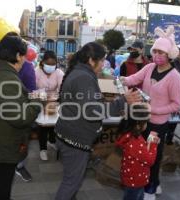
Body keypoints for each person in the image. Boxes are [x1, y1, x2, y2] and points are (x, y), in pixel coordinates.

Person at [54, 42, 142, 200]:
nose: (104, 64)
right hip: (75, 139)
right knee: (71, 182)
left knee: (70, 179)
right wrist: (122, 101)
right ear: (90, 60)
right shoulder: (83, 77)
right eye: (101, 60)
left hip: (69, 134)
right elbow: (93, 111)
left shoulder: (80, 73)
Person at [122, 26, 180, 200]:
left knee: (153, 157)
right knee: (142, 155)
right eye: (155, 51)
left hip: (158, 124)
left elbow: (177, 104)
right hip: (143, 120)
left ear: (169, 54)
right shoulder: (149, 68)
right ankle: (152, 184)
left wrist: (153, 109)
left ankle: (150, 189)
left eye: (161, 52)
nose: (156, 55)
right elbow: (135, 78)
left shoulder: (174, 76)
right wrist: (122, 79)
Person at [0, 35, 41, 200]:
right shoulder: (6, 78)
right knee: (6, 177)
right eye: (23, 57)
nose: (24, 61)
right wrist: (37, 102)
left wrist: (27, 97)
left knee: (5, 177)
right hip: (5, 139)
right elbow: (20, 117)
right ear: (17, 56)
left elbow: (8, 102)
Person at [0, 60, 36, 183]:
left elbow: (31, 89)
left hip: (17, 109)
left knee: (19, 142)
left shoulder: (27, 66)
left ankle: (19, 166)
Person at [116, 104, 159, 200]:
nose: (147, 124)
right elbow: (150, 160)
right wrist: (153, 143)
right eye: (146, 122)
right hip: (136, 180)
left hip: (130, 176)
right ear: (138, 124)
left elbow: (140, 154)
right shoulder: (135, 142)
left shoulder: (128, 135)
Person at [35, 50, 64, 161]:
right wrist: (43, 99)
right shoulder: (36, 72)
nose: (51, 67)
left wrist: (55, 100)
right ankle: (43, 149)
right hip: (39, 100)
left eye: (53, 65)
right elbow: (33, 89)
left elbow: (62, 89)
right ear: (42, 62)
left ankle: (51, 141)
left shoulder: (59, 73)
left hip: (54, 102)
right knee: (42, 124)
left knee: (53, 123)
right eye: (49, 64)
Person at [166, 43, 180, 145]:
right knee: (173, 117)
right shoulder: (173, 63)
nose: (178, 52)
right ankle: (169, 137)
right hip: (175, 94)